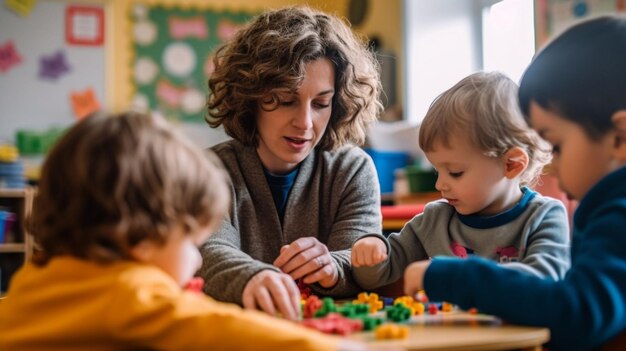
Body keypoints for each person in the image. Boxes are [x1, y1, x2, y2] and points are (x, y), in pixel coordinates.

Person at [0, 112, 363, 351]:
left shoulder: (32, 282)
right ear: (140, 237)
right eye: (192, 241)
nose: (196, 259)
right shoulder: (133, 297)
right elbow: (239, 335)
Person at [403, 16, 626, 351]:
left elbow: (575, 313)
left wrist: (451, 277)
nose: (554, 164)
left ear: (620, 138)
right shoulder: (606, 210)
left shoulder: (618, 216)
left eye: (558, 146)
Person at [200, 6, 383, 321]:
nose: (305, 123)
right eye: (286, 100)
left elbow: (364, 261)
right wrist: (254, 277)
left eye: (321, 103)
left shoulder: (353, 170)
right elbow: (207, 250)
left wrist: (332, 266)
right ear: (250, 96)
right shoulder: (209, 171)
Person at [352, 71, 571, 291]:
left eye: (455, 172)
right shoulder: (435, 220)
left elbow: (545, 284)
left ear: (511, 164)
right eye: (437, 171)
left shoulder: (544, 217)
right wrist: (372, 252)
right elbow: (379, 275)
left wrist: (448, 276)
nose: (440, 185)